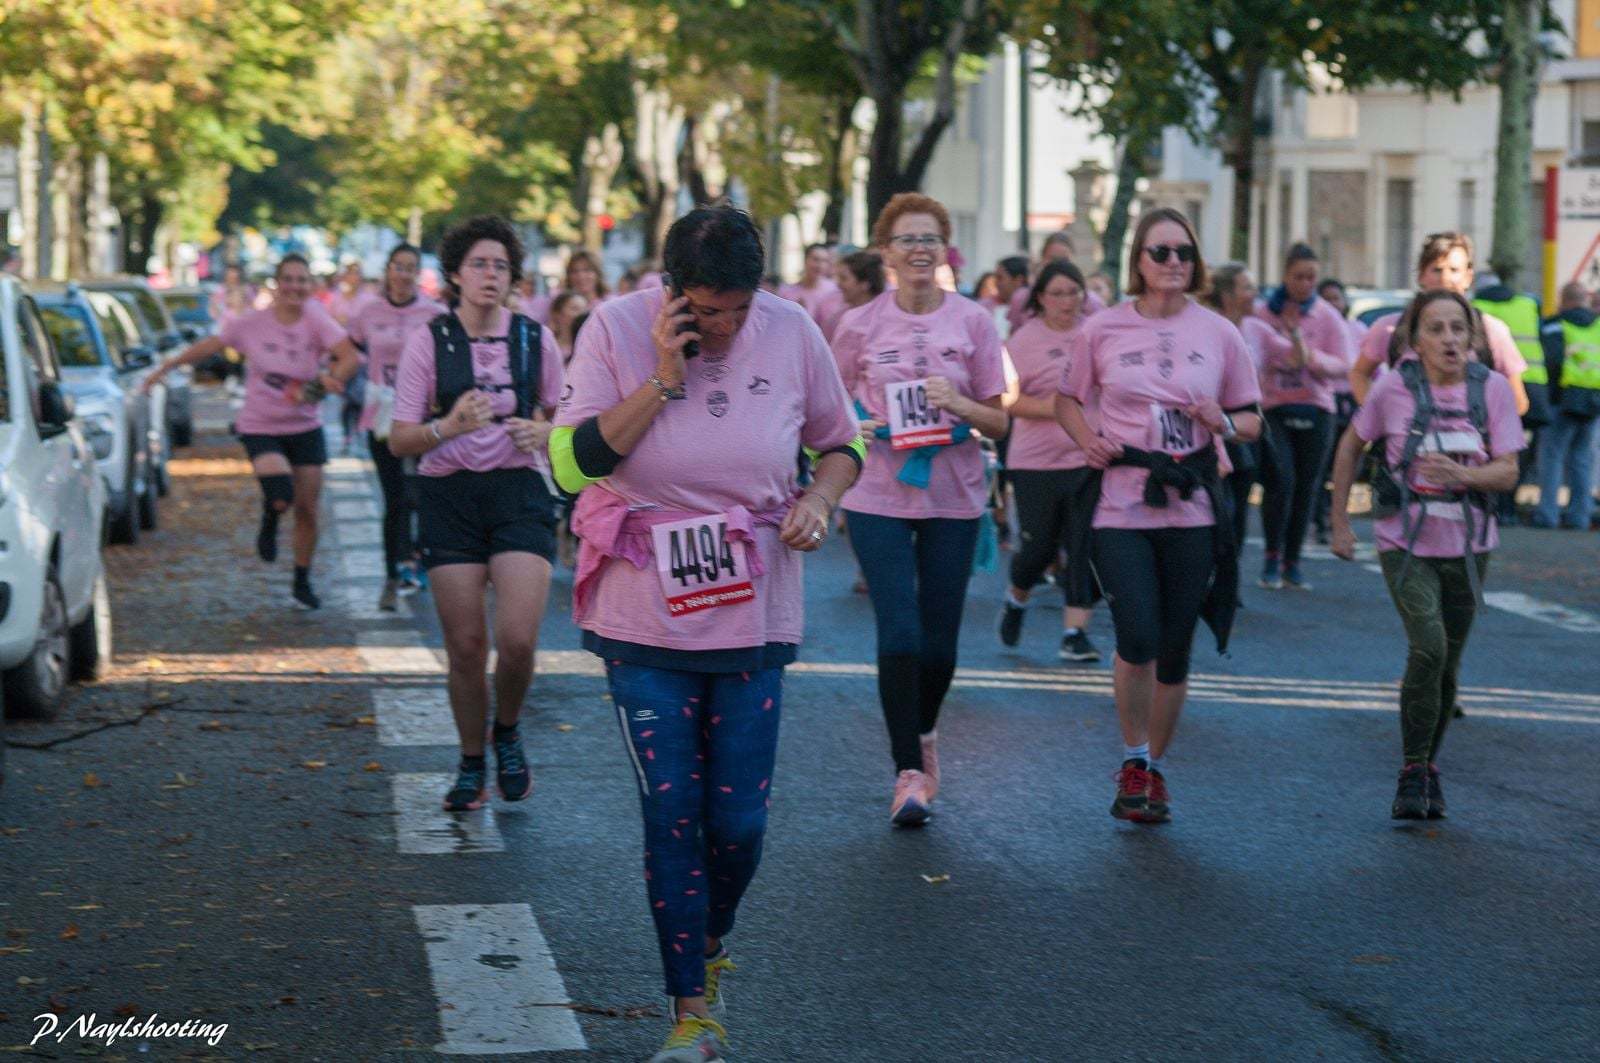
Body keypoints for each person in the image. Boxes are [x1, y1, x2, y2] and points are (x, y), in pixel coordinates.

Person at [549, 206, 862, 1063]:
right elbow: (569, 465)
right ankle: (692, 1011)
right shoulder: (615, 328)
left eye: (737, 309)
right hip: (642, 609)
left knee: (739, 823)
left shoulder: (793, 330)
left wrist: (819, 497)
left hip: (753, 608)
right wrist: (661, 375)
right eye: (707, 310)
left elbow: (842, 442)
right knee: (672, 812)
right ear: (673, 290)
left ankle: (709, 937)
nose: (723, 327)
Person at [1055, 207, 1262, 825]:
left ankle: (1155, 771)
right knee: (1138, 635)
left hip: (1192, 501)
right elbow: (1067, 399)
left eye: (1184, 253)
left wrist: (1223, 423)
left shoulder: (1220, 332)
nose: (1174, 262)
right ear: (1138, 261)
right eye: (1160, 252)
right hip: (1122, 499)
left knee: (1174, 648)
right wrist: (1087, 439)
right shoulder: (1103, 328)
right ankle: (1134, 758)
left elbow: (1252, 419)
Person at [834, 192, 1009, 827]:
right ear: (885, 250)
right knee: (901, 633)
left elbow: (1000, 420)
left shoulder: (974, 322)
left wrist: (961, 406)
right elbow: (828, 409)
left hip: (953, 492)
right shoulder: (857, 325)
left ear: (945, 249)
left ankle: (924, 731)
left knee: (939, 647)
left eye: (929, 238)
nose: (918, 249)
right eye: (906, 239)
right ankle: (908, 771)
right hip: (878, 492)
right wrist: (856, 424)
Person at [386, 216, 565, 816]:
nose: (491, 275)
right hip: (450, 496)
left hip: (519, 492)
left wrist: (544, 432)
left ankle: (506, 729)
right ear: (456, 276)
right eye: (479, 265)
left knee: (516, 639)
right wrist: (449, 427)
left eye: (501, 266)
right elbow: (400, 439)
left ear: (513, 279)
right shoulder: (430, 342)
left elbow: (571, 418)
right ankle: (470, 762)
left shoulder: (535, 340)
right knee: (465, 645)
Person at [1329, 290, 1522, 819]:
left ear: (1472, 336)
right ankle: (1412, 768)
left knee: (1449, 663)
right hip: (1405, 540)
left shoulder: (1492, 389)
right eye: (1436, 329)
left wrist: (1464, 475)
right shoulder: (1393, 387)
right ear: (1415, 340)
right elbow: (1350, 445)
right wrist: (1340, 521)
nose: (1449, 339)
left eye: (1458, 328)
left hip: (1470, 544)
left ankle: (1427, 768)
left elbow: (1509, 470)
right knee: (1429, 647)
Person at [145, 254, 361, 609]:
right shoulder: (252, 323)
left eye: (302, 280)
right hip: (261, 425)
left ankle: (301, 580)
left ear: (310, 285)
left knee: (308, 508)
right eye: (288, 279)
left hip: (305, 425)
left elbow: (351, 356)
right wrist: (166, 367)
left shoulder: (317, 319)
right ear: (277, 284)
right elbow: (211, 345)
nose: (295, 287)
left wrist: (327, 382)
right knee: (281, 494)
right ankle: (271, 515)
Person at [996, 260, 1103, 662]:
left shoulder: (1096, 333)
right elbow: (1007, 400)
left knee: (1083, 545)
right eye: (1057, 293)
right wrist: (1058, 409)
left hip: (1088, 456)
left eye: (1074, 292)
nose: (1067, 301)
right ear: (1040, 298)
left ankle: (1075, 633)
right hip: (1036, 461)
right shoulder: (1024, 340)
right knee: (1039, 547)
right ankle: (1016, 597)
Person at [348, 243, 445, 609]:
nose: (403, 274)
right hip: (382, 414)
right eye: (398, 267)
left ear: (419, 274)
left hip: (424, 414)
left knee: (422, 493)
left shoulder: (435, 314)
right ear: (388, 271)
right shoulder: (367, 311)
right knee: (394, 496)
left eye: (410, 268)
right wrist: (334, 380)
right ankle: (393, 570)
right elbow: (349, 352)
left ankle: (419, 560)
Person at [1254, 244, 1355, 590]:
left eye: (1311, 277)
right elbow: (1252, 353)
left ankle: (1292, 562)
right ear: (1285, 275)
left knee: (1306, 487)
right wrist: (1282, 354)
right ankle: (1271, 556)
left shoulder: (1326, 316)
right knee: (1280, 481)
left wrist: (1310, 358)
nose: (1305, 284)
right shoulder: (1264, 313)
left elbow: (1344, 364)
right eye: (1298, 276)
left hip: (1317, 408)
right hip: (1275, 408)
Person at [1349, 232, 1530, 416]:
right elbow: (1359, 374)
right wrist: (1379, 415)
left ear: (1468, 277)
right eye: (1437, 269)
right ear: (1421, 276)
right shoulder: (1390, 328)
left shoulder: (1490, 330)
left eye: (1454, 270)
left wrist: (1487, 426)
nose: (1445, 278)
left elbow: (1518, 401)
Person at [1204, 263, 1275, 583]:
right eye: (1247, 287)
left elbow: (1292, 357)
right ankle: (1209, 578)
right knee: (1218, 508)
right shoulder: (1210, 327)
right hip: (1211, 428)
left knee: (1239, 507)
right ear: (1227, 295)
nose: (1254, 294)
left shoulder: (1255, 329)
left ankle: (1228, 583)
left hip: (1245, 426)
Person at [1533, 282, 1600, 529]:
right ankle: (1579, 517)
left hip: (1561, 400)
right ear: (1585, 300)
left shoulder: (1555, 324)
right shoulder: (1597, 325)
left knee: (1552, 458)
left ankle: (1547, 516)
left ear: (1564, 299)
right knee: (1583, 460)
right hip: (1593, 400)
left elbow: (1550, 360)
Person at [1313, 278, 1367, 540]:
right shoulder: (1315, 329)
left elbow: (1372, 369)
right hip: (1325, 403)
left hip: (1352, 404)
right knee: (1322, 465)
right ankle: (1322, 519)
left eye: (1336, 298)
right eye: (1326, 299)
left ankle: (1338, 514)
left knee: (1348, 462)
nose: (1332, 304)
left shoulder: (1358, 329)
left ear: (1345, 302)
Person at [814, 249, 885, 343]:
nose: (838, 284)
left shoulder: (885, 318)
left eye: (844, 278)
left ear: (865, 283)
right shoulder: (837, 319)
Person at [777, 242, 839, 323]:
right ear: (805, 260)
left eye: (824, 261)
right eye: (816, 259)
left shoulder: (834, 291)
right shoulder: (787, 292)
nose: (820, 265)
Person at [547, 291, 590, 364]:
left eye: (585, 309)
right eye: (575, 309)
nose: (582, 313)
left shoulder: (591, 347)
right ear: (557, 314)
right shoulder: (548, 347)